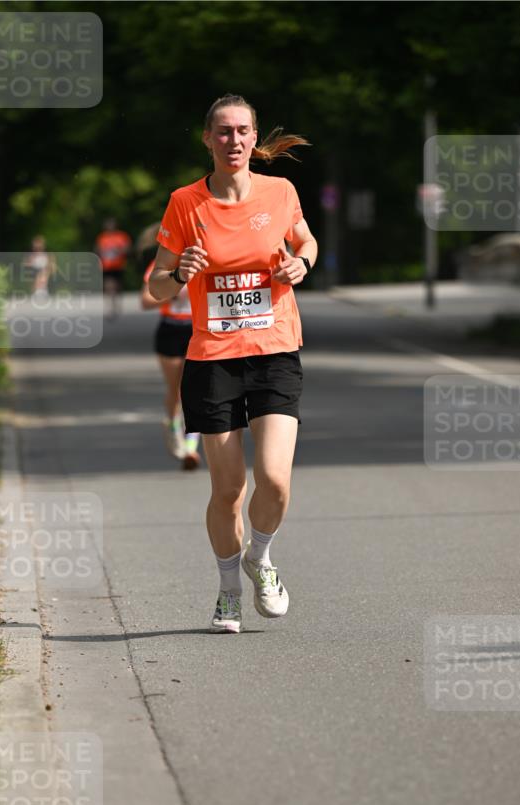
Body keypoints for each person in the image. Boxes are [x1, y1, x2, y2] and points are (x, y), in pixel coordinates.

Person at [149, 93, 317, 634]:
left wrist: (301, 263)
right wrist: (180, 273)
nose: (234, 140)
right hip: (214, 360)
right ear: (208, 139)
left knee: (275, 480)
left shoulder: (280, 191)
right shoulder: (185, 203)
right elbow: (155, 286)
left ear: (254, 137)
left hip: (274, 351)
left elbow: (306, 241)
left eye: (243, 130)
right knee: (228, 491)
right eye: (223, 131)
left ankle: (259, 558)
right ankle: (228, 592)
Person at [141, 258, 201, 469]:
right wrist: (172, 293)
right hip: (171, 329)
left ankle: (190, 447)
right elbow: (145, 301)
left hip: (197, 327)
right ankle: (174, 427)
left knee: (193, 388)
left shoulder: (204, 259)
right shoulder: (162, 263)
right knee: (176, 389)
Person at [94, 219, 132, 319]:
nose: (110, 227)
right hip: (106, 266)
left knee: (117, 285)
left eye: (111, 225)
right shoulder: (102, 237)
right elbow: (98, 250)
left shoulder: (121, 236)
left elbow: (128, 249)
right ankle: (110, 305)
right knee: (108, 284)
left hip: (118, 265)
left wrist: (118, 250)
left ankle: (116, 301)